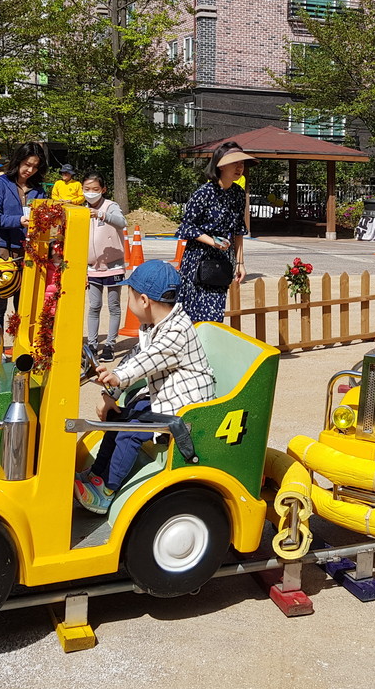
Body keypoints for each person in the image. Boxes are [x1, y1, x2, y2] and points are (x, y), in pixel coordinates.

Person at [74, 260, 215, 513]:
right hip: (168, 394)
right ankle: (97, 474)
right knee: (123, 413)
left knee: (133, 428)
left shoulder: (176, 332)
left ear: (144, 300)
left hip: (188, 406)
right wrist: (110, 391)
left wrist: (118, 378)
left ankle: (107, 490)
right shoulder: (153, 326)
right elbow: (135, 356)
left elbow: (148, 360)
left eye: (129, 296)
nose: (128, 303)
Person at [176, 140, 255, 323]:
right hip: (198, 259)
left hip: (222, 261)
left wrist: (240, 263)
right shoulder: (204, 193)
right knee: (191, 314)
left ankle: (208, 350)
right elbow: (186, 226)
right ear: (220, 166)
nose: (239, 168)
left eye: (241, 163)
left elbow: (238, 230)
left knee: (215, 312)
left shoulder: (237, 193)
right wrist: (213, 242)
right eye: (234, 163)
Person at [0, 142, 49, 336]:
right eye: (27, 164)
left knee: (24, 303)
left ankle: (21, 347)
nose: (30, 170)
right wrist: (19, 221)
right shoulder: (0, 183)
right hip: (0, 251)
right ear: (18, 161)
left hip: (28, 253)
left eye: (35, 166)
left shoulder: (38, 189)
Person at [83, 173, 126, 361]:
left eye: (95, 190)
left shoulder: (111, 206)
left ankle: (110, 344)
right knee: (94, 305)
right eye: (87, 189)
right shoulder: (80, 210)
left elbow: (121, 222)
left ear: (103, 190)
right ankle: (92, 344)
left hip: (114, 265)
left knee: (114, 305)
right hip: (91, 267)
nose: (90, 193)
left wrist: (101, 214)